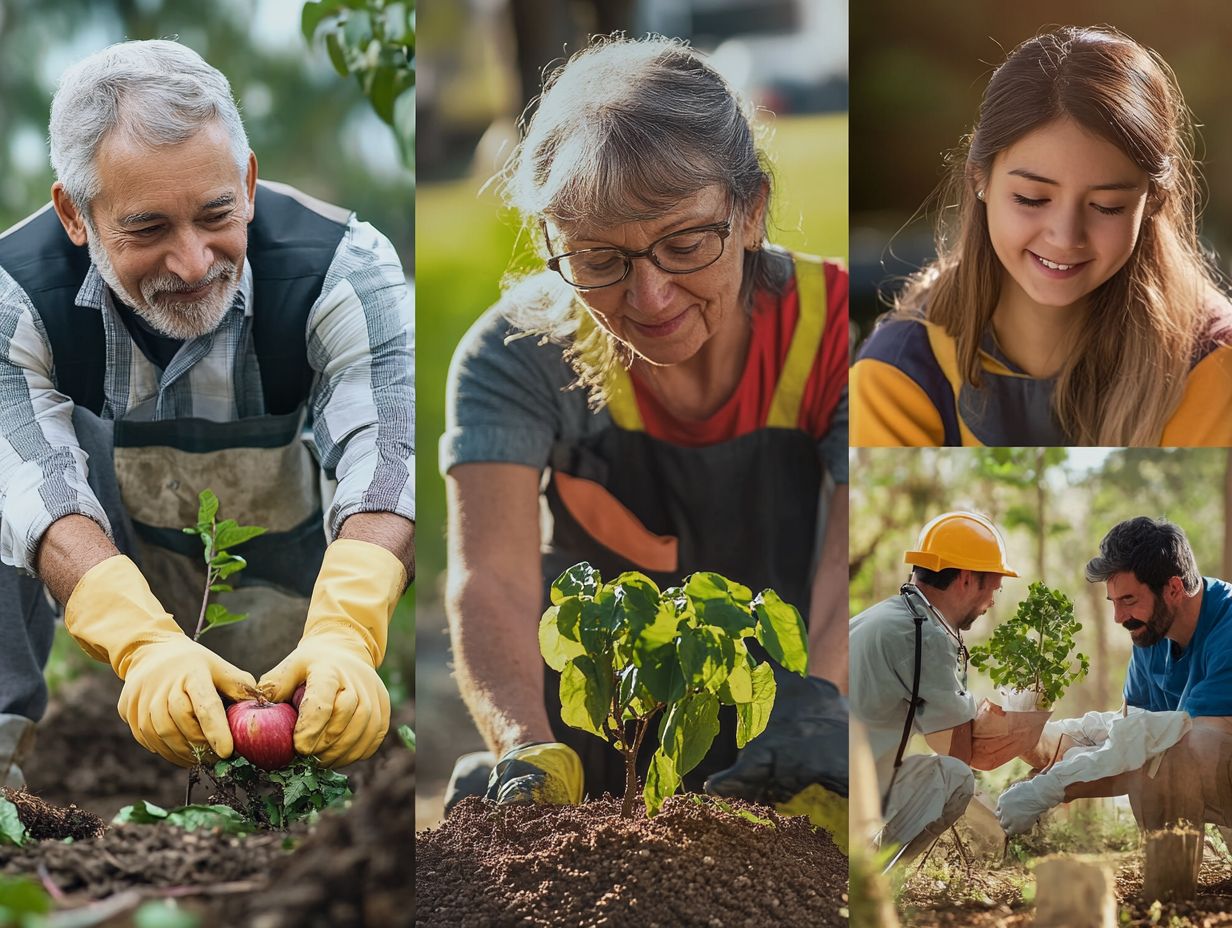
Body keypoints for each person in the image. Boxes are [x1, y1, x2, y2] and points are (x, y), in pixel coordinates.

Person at [440, 35, 849, 817]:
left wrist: (819, 709)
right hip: (597, 731)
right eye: (598, 259)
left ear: (752, 209)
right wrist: (523, 746)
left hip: (788, 715)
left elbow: (849, 558)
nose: (650, 297)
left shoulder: (836, 333)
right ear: (553, 244)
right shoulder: (517, 354)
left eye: (686, 243)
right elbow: (490, 579)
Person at [0, 40, 414, 787]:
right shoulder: (14, 297)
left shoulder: (347, 270)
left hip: (290, 607)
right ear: (74, 213)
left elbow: (391, 456)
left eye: (217, 214)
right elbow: (33, 485)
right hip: (110, 571)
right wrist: (143, 644)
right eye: (148, 229)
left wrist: (347, 630)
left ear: (249, 183)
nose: (193, 262)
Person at [850, 26, 1232, 447]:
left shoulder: (1215, 363)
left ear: (1154, 200)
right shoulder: (899, 373)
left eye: (1107, 206)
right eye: (1032, 199)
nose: (1066, 237)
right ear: (981, 179)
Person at [998, 518, 1232, 838]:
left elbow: (1176, 744)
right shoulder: (1150, 632)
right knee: (1144, 753)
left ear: (1174, 588)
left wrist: (1055, 786)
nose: (1119, 618)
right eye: (1114, 602)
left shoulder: (1227, 630)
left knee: (1177, 753)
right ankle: (1170, 880)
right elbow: (1129, 731)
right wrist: (1044, 740)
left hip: (1217, 761)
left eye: (1129, 600)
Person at [849, 512, 1046, 863]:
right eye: (994, 589)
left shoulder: (883, 618)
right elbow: (955, 754)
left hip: (824, 778)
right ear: (968, 579)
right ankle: (874, 879)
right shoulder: (923, 633)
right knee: (955, 779)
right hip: (845, 796)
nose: (992, 603)